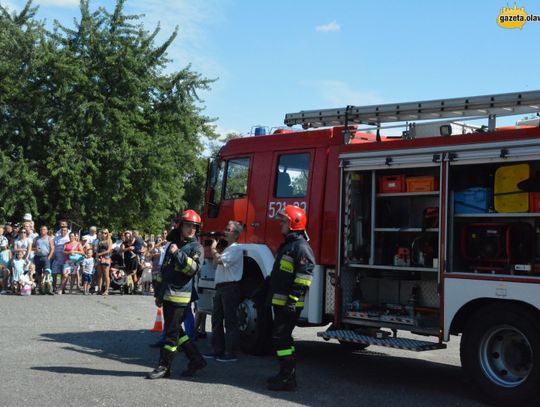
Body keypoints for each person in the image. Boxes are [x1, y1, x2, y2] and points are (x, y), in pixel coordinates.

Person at [147, 209, 206, 379]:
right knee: (176, 331)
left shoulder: (196, 247)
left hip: (180, 297)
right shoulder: (174, 244)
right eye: (188, 226)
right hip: (167, 295)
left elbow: (193, 269)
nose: (191, 230)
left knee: (171, 335)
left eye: (194, 227)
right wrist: (159, 293)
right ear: (181, 226)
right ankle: (196, 359)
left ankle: (164, 366)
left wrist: (177, 253)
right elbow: (166, 271)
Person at [266, 205, 315, 391]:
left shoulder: (300, 247)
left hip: (289, 303)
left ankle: (288, 378)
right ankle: (286, 374)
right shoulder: (289, 245)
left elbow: (305, 275)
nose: (281, 223)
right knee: (283, 338)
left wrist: (293, 300)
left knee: (280, 338)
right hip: (281, 301)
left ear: (294, 223)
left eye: (284, 221)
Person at [204, 221, 244, 362]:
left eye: (228, 230)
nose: (225, 232)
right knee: (216, 319)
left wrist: (214, 249)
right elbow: (215, 264)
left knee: (230, 321)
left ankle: (231, 352)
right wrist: (217, 251)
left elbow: (219, 260)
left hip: (230, 287)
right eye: (226, 229)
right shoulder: (227, 249)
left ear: (236, 234)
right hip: (221, 288)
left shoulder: (235, 249)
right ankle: (218, 349)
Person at [33, 225, 54, 293]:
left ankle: (47, 287)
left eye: (44, 229)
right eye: (41, 229)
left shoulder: (49, 238)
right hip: (38, 257)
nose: (42, 231)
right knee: (38, 273)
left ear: (47, 230)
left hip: (46, 257)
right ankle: (40, 288)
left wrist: (49, 257)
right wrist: (35, 249)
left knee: (47, 272)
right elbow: (32, 247)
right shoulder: (36, 238)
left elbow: (52, 249)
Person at [52, 221, 70, 293]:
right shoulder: (56, 238)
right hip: (57, 258)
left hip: (65, 258)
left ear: (67, 231)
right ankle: (54, 286)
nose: (63, 231)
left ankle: (63, 287)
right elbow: (53, 247)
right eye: (62, 230)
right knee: (54, 273)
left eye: (65, 230)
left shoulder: (69, 238)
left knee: (64, 274)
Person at [95, 229, 113, 295]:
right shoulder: (99, 241)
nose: (103, 234)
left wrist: (100, 254)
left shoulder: (109, 241)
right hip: (100, 258)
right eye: (102, 233)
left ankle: (107, 290)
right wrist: (97, 256)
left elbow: (109, 250)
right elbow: (97, 250)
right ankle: (99, 289)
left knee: (106, 275)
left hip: (106, 258)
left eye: (105, 233)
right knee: (99, 275)